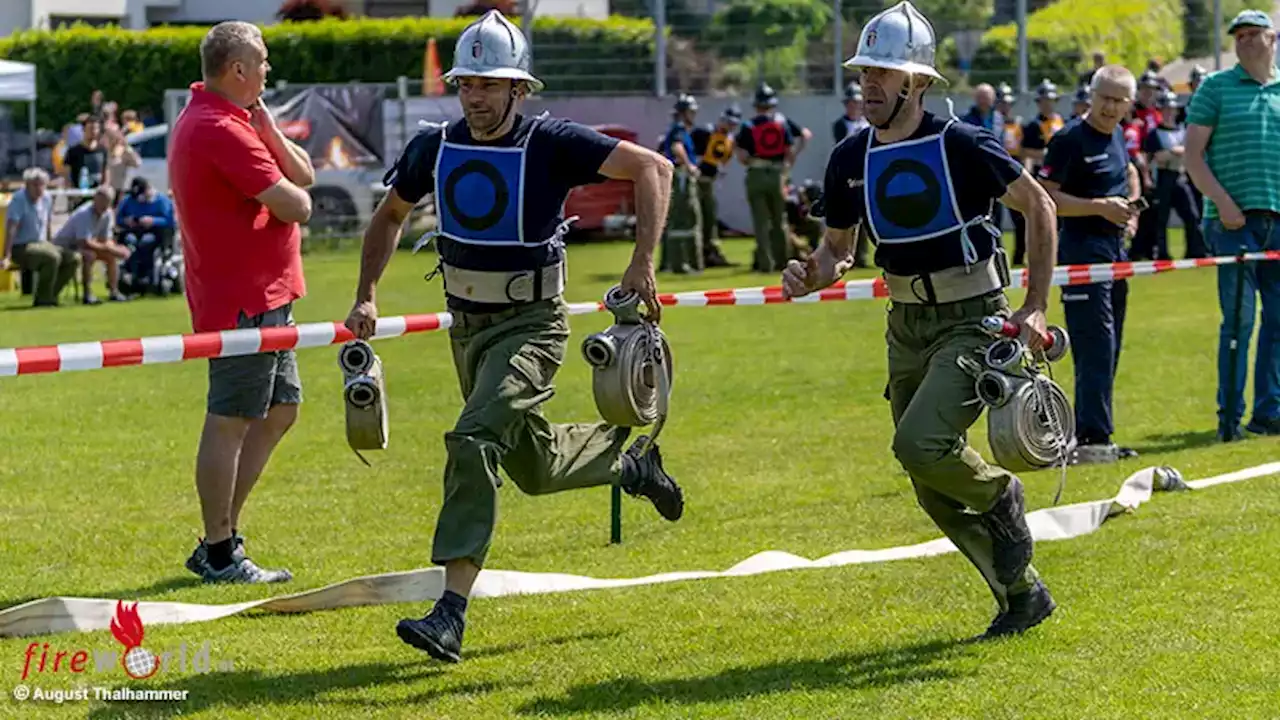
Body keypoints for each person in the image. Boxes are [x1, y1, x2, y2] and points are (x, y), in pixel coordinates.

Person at [342, 9, 684, 664]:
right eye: (468, 84)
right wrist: (366, 292)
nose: (475, 96)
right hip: (467, 329)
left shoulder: (552, 141)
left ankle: (450, 612)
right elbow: (388, 217)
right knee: (530, 466)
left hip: (533, 326)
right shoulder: (433, 146)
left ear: (519, 89)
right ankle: (633, 466)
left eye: (490, 85)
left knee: (472, 441)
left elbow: (654, 170)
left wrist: (643, 263)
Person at [782, 0, 1060, 640]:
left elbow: (1038, 206)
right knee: (930, 486)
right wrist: (811, 275)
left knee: (918, 445)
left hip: (973, 319)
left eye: (882, 72)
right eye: (863, 73)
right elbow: (838, 250)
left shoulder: (961, 143)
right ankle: (1023, 596)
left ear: (918, 82)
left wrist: (1036, 304)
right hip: (903, 323)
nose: (868, 84)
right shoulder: (849, 157)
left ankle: (1001, 497)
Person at [169, 20, 317, 583]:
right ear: (238, 70)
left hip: (266, 296)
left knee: (280, 410)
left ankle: (223, 532)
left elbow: (302, 176)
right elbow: (298, 205)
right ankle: (220, 548)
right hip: (242, 300)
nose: (268, 72)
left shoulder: (235, 120)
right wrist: (268, 151)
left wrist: (271, 129)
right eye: (263, 63)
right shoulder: (217, 129)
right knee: (230, 420)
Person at [1036, 65, 1142, 464]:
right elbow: (1046, 198)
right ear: (1091, 96)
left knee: (1110, 345)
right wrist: (1099, 207)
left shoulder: (1117, 135)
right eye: (1105, 98)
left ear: (1129, 104)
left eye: (1119, 100)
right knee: (1094, 345)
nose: (1111, 107)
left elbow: (1129, 170)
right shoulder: (1068, 140)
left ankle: (1092, 432)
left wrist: (1131, 207)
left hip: (1116, 250)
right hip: (1082, 249)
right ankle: (1093, 439)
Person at [1184, 9, 1280, 441]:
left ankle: (1268, 414)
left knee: (1277, 322)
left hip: (1276, 222)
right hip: (1232, 223)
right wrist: (1222, 203)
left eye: (1252, 34)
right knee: (1239, 322)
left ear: (1272, 39)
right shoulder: (1214, 89)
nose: (1243, 41)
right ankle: (1229, 419)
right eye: (1238, 36)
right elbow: (1192, 157)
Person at [735, 83, 796, 273]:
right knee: (780, 220)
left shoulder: (748, 126)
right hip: (777, 174)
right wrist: (785, 172)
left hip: (756, 173)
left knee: (760, 222)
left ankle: (765, 263)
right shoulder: (781, 124)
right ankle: (783, 261)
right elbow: (789, 151)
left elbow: (742, 157)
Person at [0, 168, 79, 307]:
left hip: (42, 244)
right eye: (35, 185)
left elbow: (47, 223)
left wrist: (51, 243)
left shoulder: (47, 198)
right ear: (27, 185)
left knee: (74, 258)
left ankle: (50, 295)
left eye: (42, 184)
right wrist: (6, 255)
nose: (39, 188)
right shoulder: (19, 200)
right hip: (21, 247)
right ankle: (43, 299)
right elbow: (11, 228)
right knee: (51, 257)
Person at [1142, 90, 1206, 260]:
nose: (1169, 112)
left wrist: (1171, 153)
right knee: (1161, 218)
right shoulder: (1154, 134)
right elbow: (1154, 158)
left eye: (1171, 109)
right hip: (1163, 177)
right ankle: (1162, 253)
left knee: (1191, 215)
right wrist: (1174, 153)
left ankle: (1195, 251)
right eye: (1165, 109)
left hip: (1180, 175)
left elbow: (1191, 152)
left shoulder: (1182, 131)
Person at [53, 185, 131, 305]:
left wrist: (114, 249)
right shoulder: (84, 214)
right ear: (95, 199)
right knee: (89, 255)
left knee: (110, 256)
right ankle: (87, 294)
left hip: (84, 245)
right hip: (65, 246)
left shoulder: (108, 214)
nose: (103, 206)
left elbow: (104, 239)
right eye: (101, 202)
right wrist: (112, 249)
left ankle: (114, 292)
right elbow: (84, 242)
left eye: (106, 203)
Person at [1018, 79, 1067, 266]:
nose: (1048, 104)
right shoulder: (1032, 126)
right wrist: (1044, 154)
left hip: (1062, 174)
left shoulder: (1062, 122)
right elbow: (1024, 151)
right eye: (1044, 100)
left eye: (1051, 100)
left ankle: (1061, 252)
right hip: (1041, 172)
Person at [689, 104, 740, 267]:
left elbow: (723, 159)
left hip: (710, 182)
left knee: (710, 217)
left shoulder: (730, 140)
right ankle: (696, 254)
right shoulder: (704, 132)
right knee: (696, 217)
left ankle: (709, 251)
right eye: (728, 122)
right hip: (696, 181)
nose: (731, 126)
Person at [658, 93, 702, 274]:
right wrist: (690, 166)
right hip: (680, 177)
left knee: (675, 219)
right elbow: (677, 148)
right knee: (682, 217)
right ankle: (679, 263)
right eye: (691, 112)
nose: (694, 116)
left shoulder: (677, 130)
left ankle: (670, 262)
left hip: (675, 176)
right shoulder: (679, 130)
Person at [832, 82, 874, 267]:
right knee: (850, 216)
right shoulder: (840, 124)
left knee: (866, 217)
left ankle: (863, 255)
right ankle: (848, 253)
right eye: (850, 103)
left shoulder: (869, 123)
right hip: (850, 174)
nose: (854, 106)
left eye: (856, 102)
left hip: (868, 171)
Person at [117, 176, 178, 294]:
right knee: (131, 242)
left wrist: (153, 221)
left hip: (156, 233)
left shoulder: (161, 201)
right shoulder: (128, 201)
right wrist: (126, 221)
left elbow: (170, 221)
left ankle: (148, 274)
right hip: (134, 232)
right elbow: (119, 218)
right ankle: (131, 273)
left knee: (147, 242)